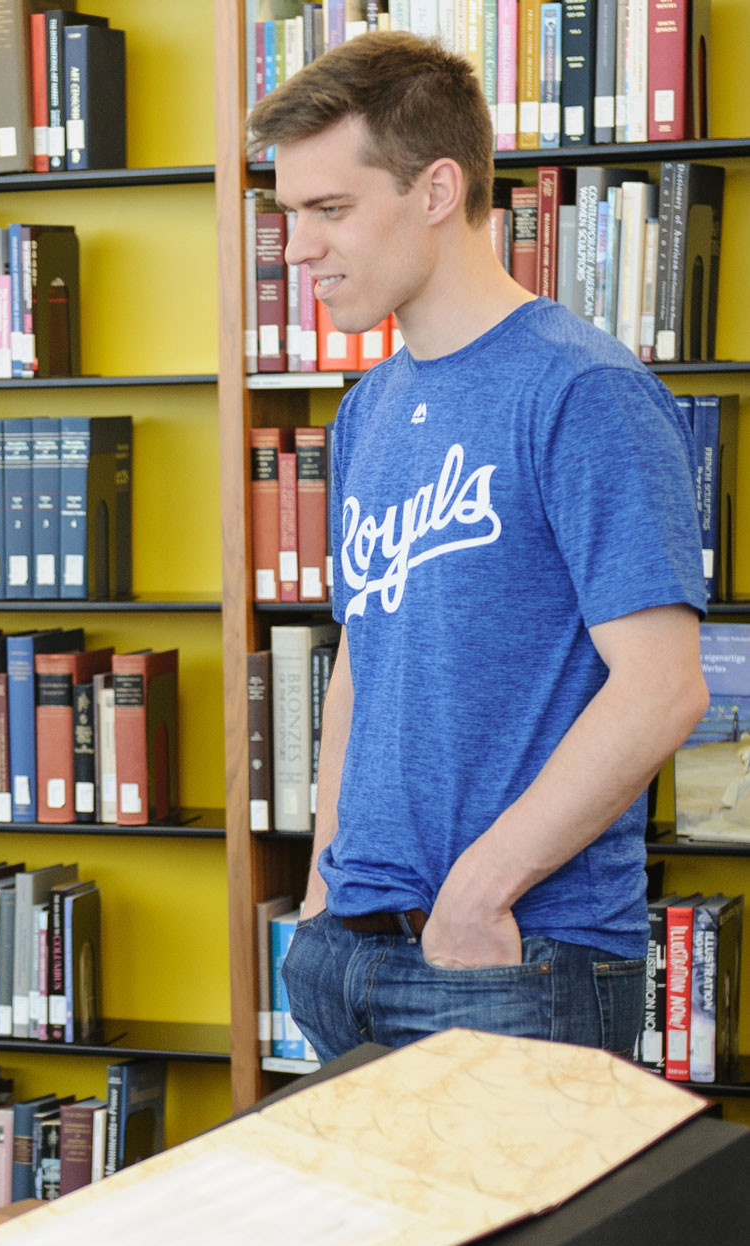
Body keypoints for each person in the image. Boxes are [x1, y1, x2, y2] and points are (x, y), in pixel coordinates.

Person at [248, 34, 708, 1062]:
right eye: (289, 217)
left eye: (330, 211)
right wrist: (326, 880)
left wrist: (478, 891)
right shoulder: (368, 409)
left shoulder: (581, 391)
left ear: (437, 188)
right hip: (349, 952)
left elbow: (664, 686)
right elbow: (361, 663)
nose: (297, 249)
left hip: (511, 954)